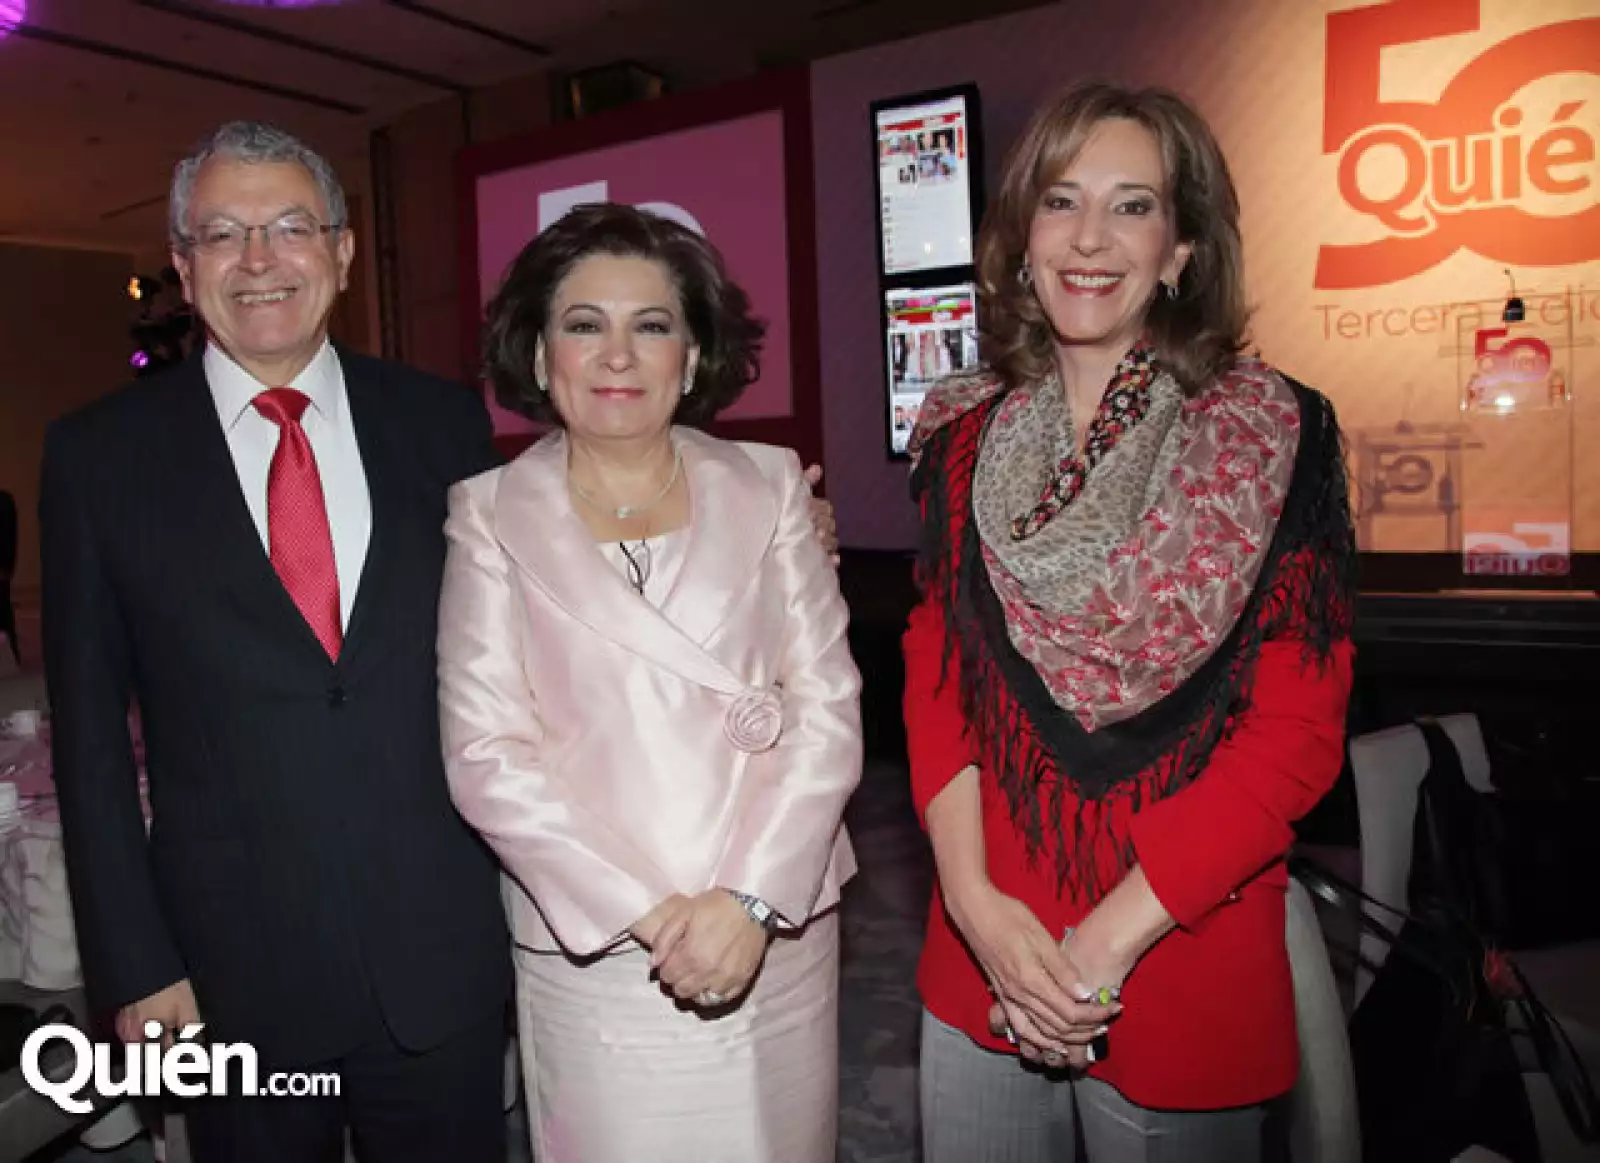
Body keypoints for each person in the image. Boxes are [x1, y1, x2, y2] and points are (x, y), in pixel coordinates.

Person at [40, 121, 841, 1161]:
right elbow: (90, 744)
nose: (258, 258)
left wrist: (783, 529)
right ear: (184, 267)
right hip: (227, 968)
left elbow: (570, 576)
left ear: (341, 252)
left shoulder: (437, 425)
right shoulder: (100, 457)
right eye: (221, 233)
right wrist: (133, 966)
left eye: (290, 226)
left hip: (440, 953)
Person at [903, 82, 1357, 1161]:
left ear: (1182, 249)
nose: (1091, 238)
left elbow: (1294, 735)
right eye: (1060, 201)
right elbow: (935, 669)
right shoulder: (960, 436)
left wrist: (1102, 941)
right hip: (984, 945)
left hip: (1180, 945)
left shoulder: (1268, 434)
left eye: (1133, 206)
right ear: (1021, 238)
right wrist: (972, 899)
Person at [437, 203, 862, 1163]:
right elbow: (485, 754)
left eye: (652, 324)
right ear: (541, 357)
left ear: (693, 354)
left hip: (774, 920)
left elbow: (828, 708)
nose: (618, 355)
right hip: (602, 939)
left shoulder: (773, 483)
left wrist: (746, 902)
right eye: (584, 324)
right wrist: (659, 915)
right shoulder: (488, 513)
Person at [0, 488, 16, 663]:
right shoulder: (5, 501)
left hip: (2, 567)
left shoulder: (4, 502)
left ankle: (10, 657)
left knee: (2, 611)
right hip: (3, 567)